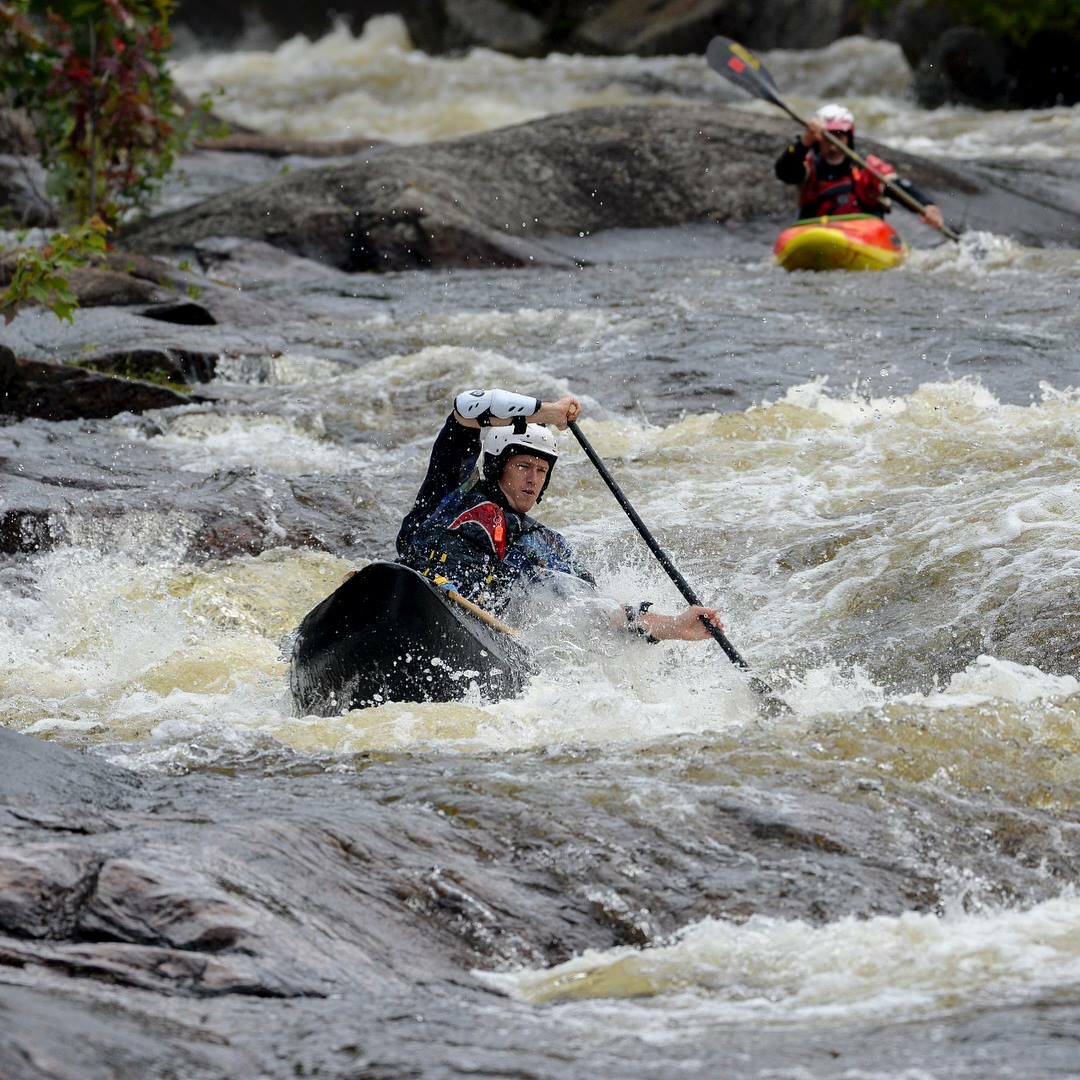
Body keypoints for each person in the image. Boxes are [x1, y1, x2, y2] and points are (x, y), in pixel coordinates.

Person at [396, 387, 723, 643]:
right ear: (496, 466)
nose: (532, 479)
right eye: (523, 466)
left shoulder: (545, 545)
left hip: (473, 633)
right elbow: (466, 407)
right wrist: (547, 412)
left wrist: (676, 626)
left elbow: (599, 614)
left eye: (541, 471)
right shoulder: (452, 490)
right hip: (409, 592)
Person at [774, 103, 945, 231]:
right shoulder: (809, 168)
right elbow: (784, 172)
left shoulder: (867, 168)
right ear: (818, 140)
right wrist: (805, 142)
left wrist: (926, 205)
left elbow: (896, 187)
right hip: (816, 233)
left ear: (849, 138)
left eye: (839, 136)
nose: (833, 145)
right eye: (828, 138)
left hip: (862, 234)